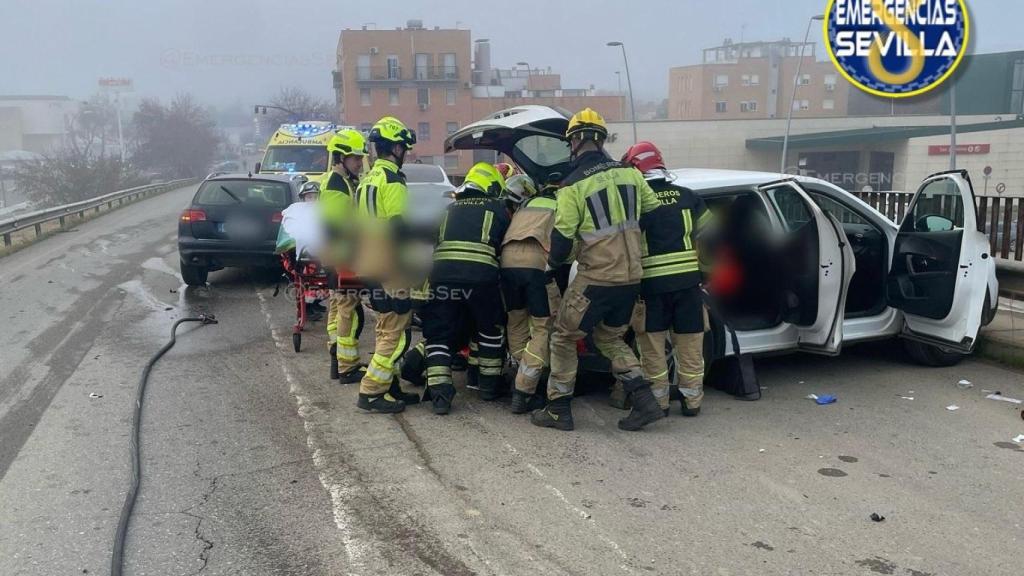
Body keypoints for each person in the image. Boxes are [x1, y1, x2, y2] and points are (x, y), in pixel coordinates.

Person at [532, 108, 664, 432]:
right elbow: (654, 214)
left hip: (595, 280)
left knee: (563, 336)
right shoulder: (631, 174)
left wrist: (552, 267)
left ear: (574, 141)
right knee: (610, 338)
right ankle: (645, 401)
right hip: (631, 279)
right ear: (601, 140)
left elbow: (562, 239)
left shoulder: (571, 185)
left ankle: (558, 409)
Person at [622, 141, 713, 417]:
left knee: (652, 349)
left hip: (651, 290)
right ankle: (692, 402)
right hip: (688, 287)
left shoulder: (635, 203)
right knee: (690, 347)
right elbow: (713, 239)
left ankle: (659, 403)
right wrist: (704, 273)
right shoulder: (690, 197)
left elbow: (625, 246)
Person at [420, 162, 511, 415]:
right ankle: (489, 386)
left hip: (442, 279)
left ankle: (440, 394)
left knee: (438, 334)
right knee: (489, 329)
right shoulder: (499, 208)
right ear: (491, 187)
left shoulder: (448, 209)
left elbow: (434, 241)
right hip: (481, 279)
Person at [353, 117, 421, 413]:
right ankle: (371, 391)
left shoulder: (366, 180)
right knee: (397, 330)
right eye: (404, 147)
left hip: (368, 263)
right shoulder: (393, 180)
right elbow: (398, 230)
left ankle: (390, 387)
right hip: (389, 265)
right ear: (395, 147)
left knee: (384, 326)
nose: (406, 153)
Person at [500, 173, 560, 414]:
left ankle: (522, 367)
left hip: (507, 263)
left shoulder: (527, 205)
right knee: (542, 326)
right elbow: (566, 241)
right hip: (535, 265)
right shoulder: (562, 203)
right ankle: (524, 389)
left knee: (516, 321)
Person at [322, 130, 368, 383]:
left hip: (336, 257)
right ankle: (346, 366)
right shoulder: (337, 185)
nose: (359, 163)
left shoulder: (339, 182)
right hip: (344, 258)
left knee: (338, 308)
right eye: (354, 158)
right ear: (340, 158)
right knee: (349, 311)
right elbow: (336, 226)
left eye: (360, 158)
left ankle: (336, 358)